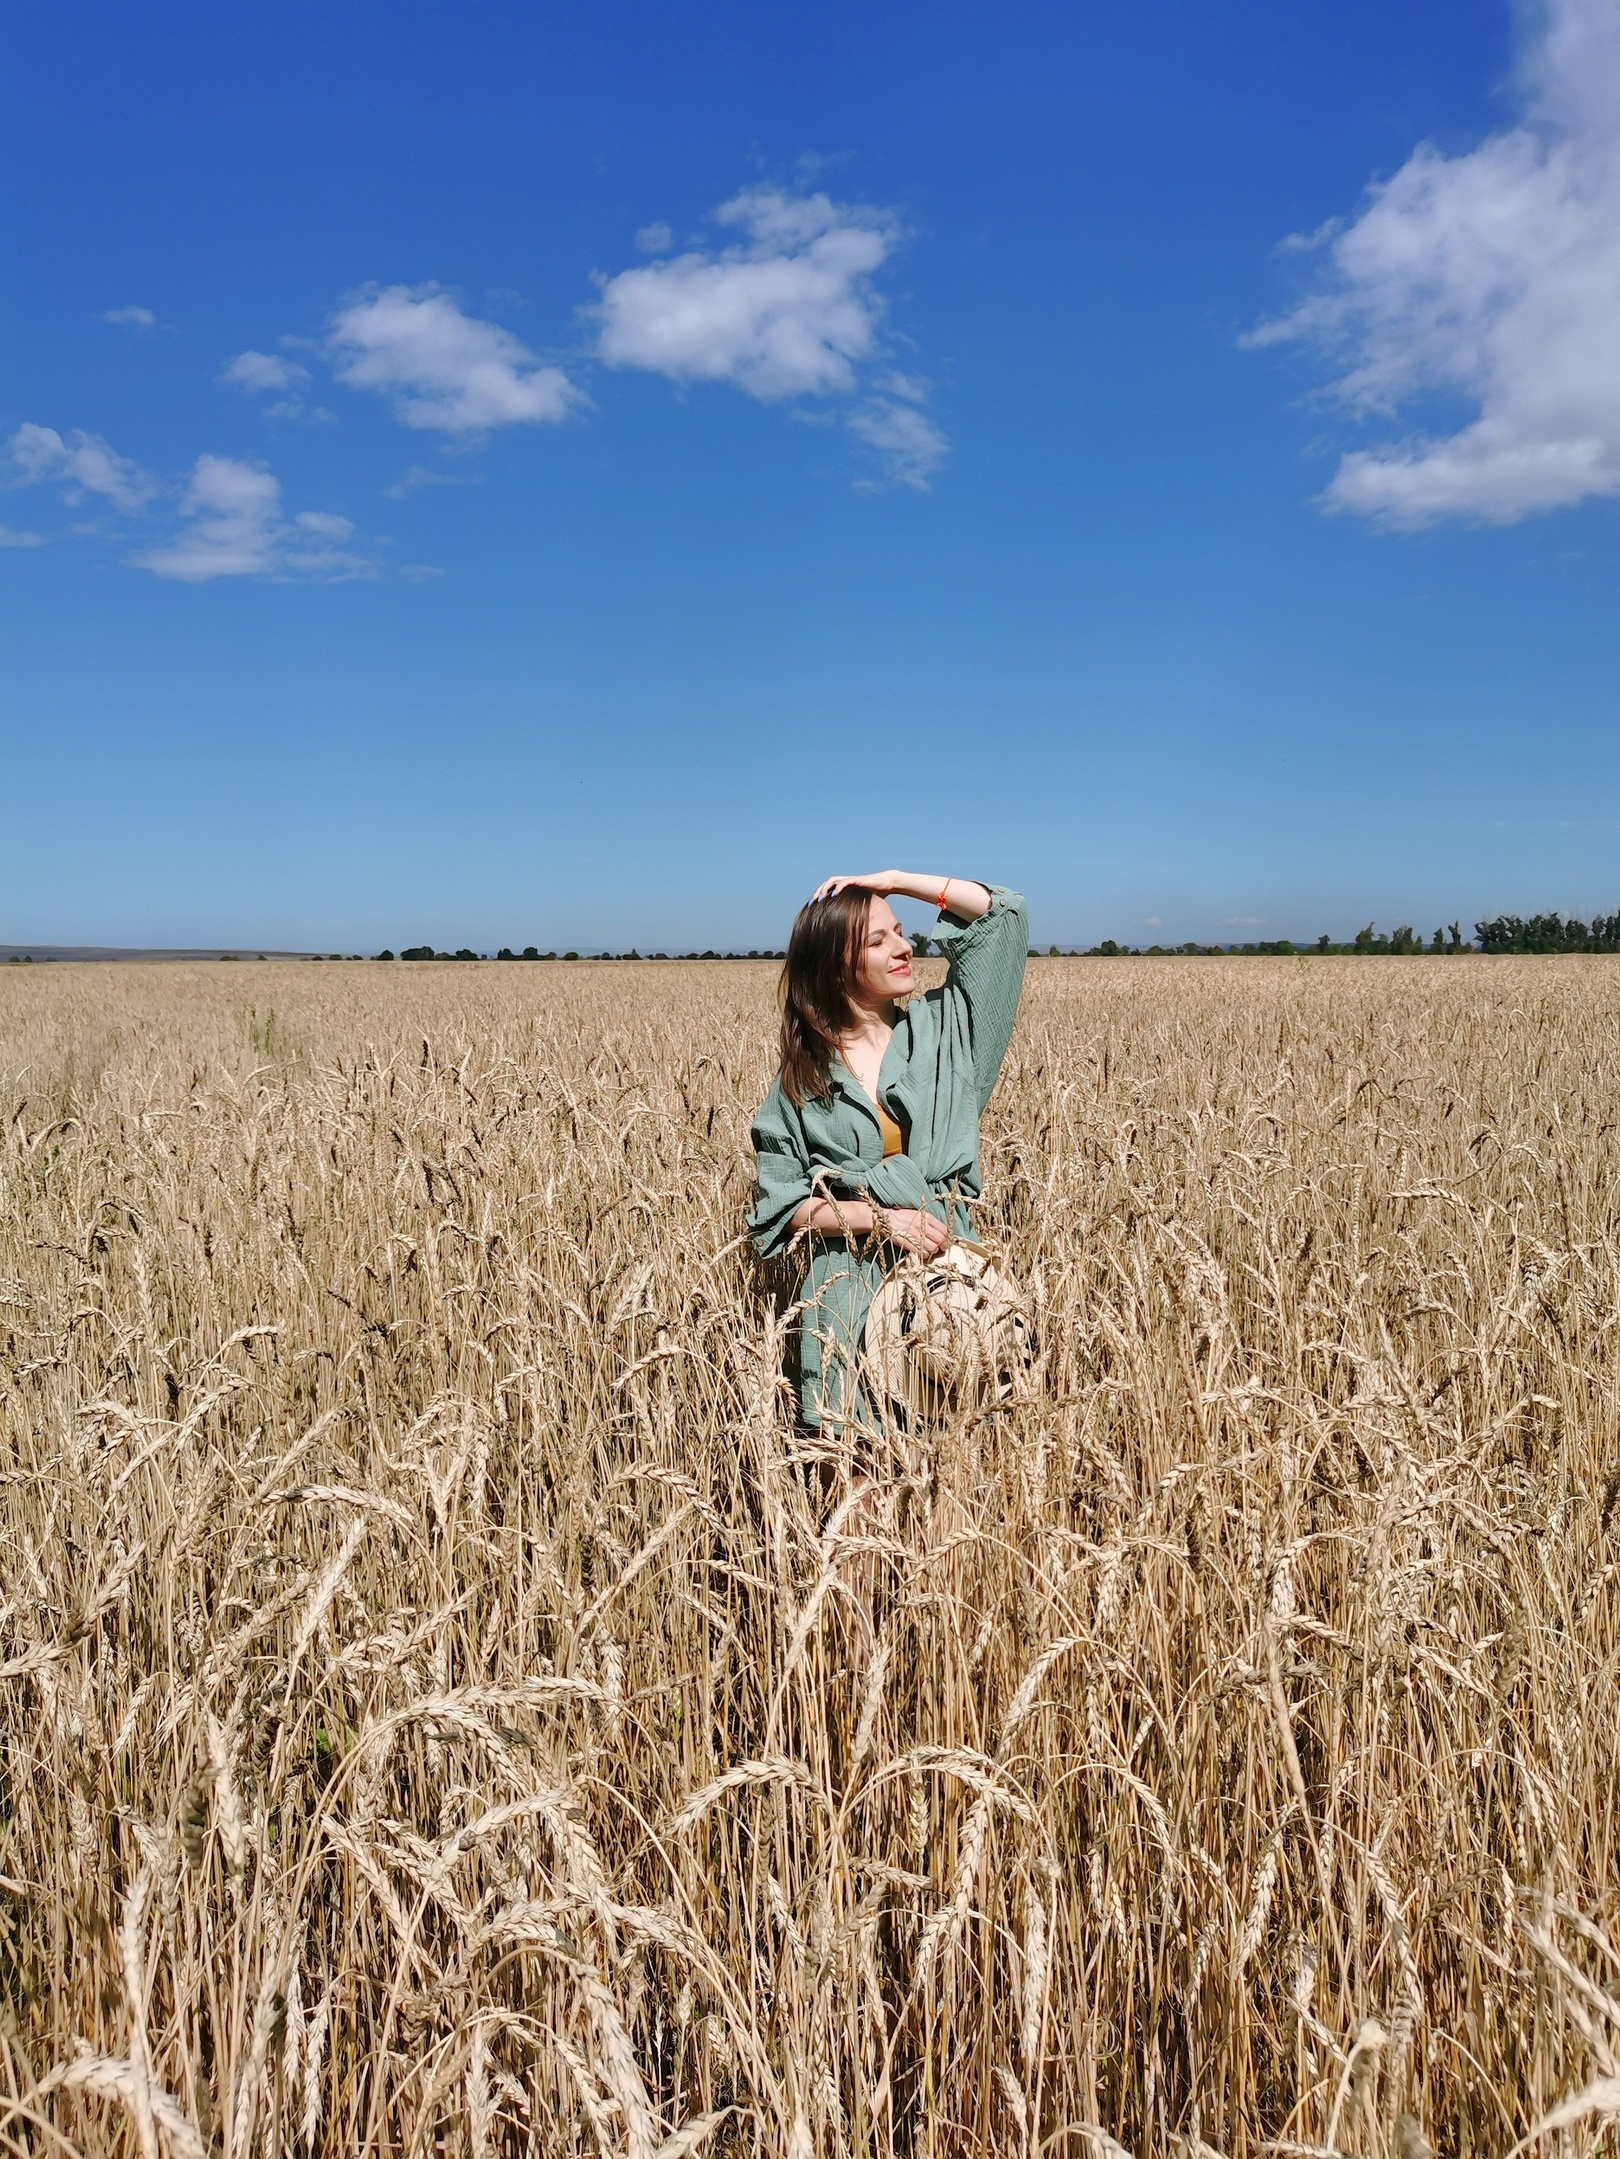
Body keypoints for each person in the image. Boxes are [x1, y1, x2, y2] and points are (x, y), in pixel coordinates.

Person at [748, 870, 1029, 1432]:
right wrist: (878, 1220)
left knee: (963, 1450)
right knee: (856, 1467)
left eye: (899, 932)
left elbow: (1006, 917)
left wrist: (894, 880)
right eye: (878, 941)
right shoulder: (802, 1080)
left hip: (952, 1271)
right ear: (835, 966)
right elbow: (781, 1207)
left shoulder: (947, 1029)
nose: (905, 947)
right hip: (845, 1289)